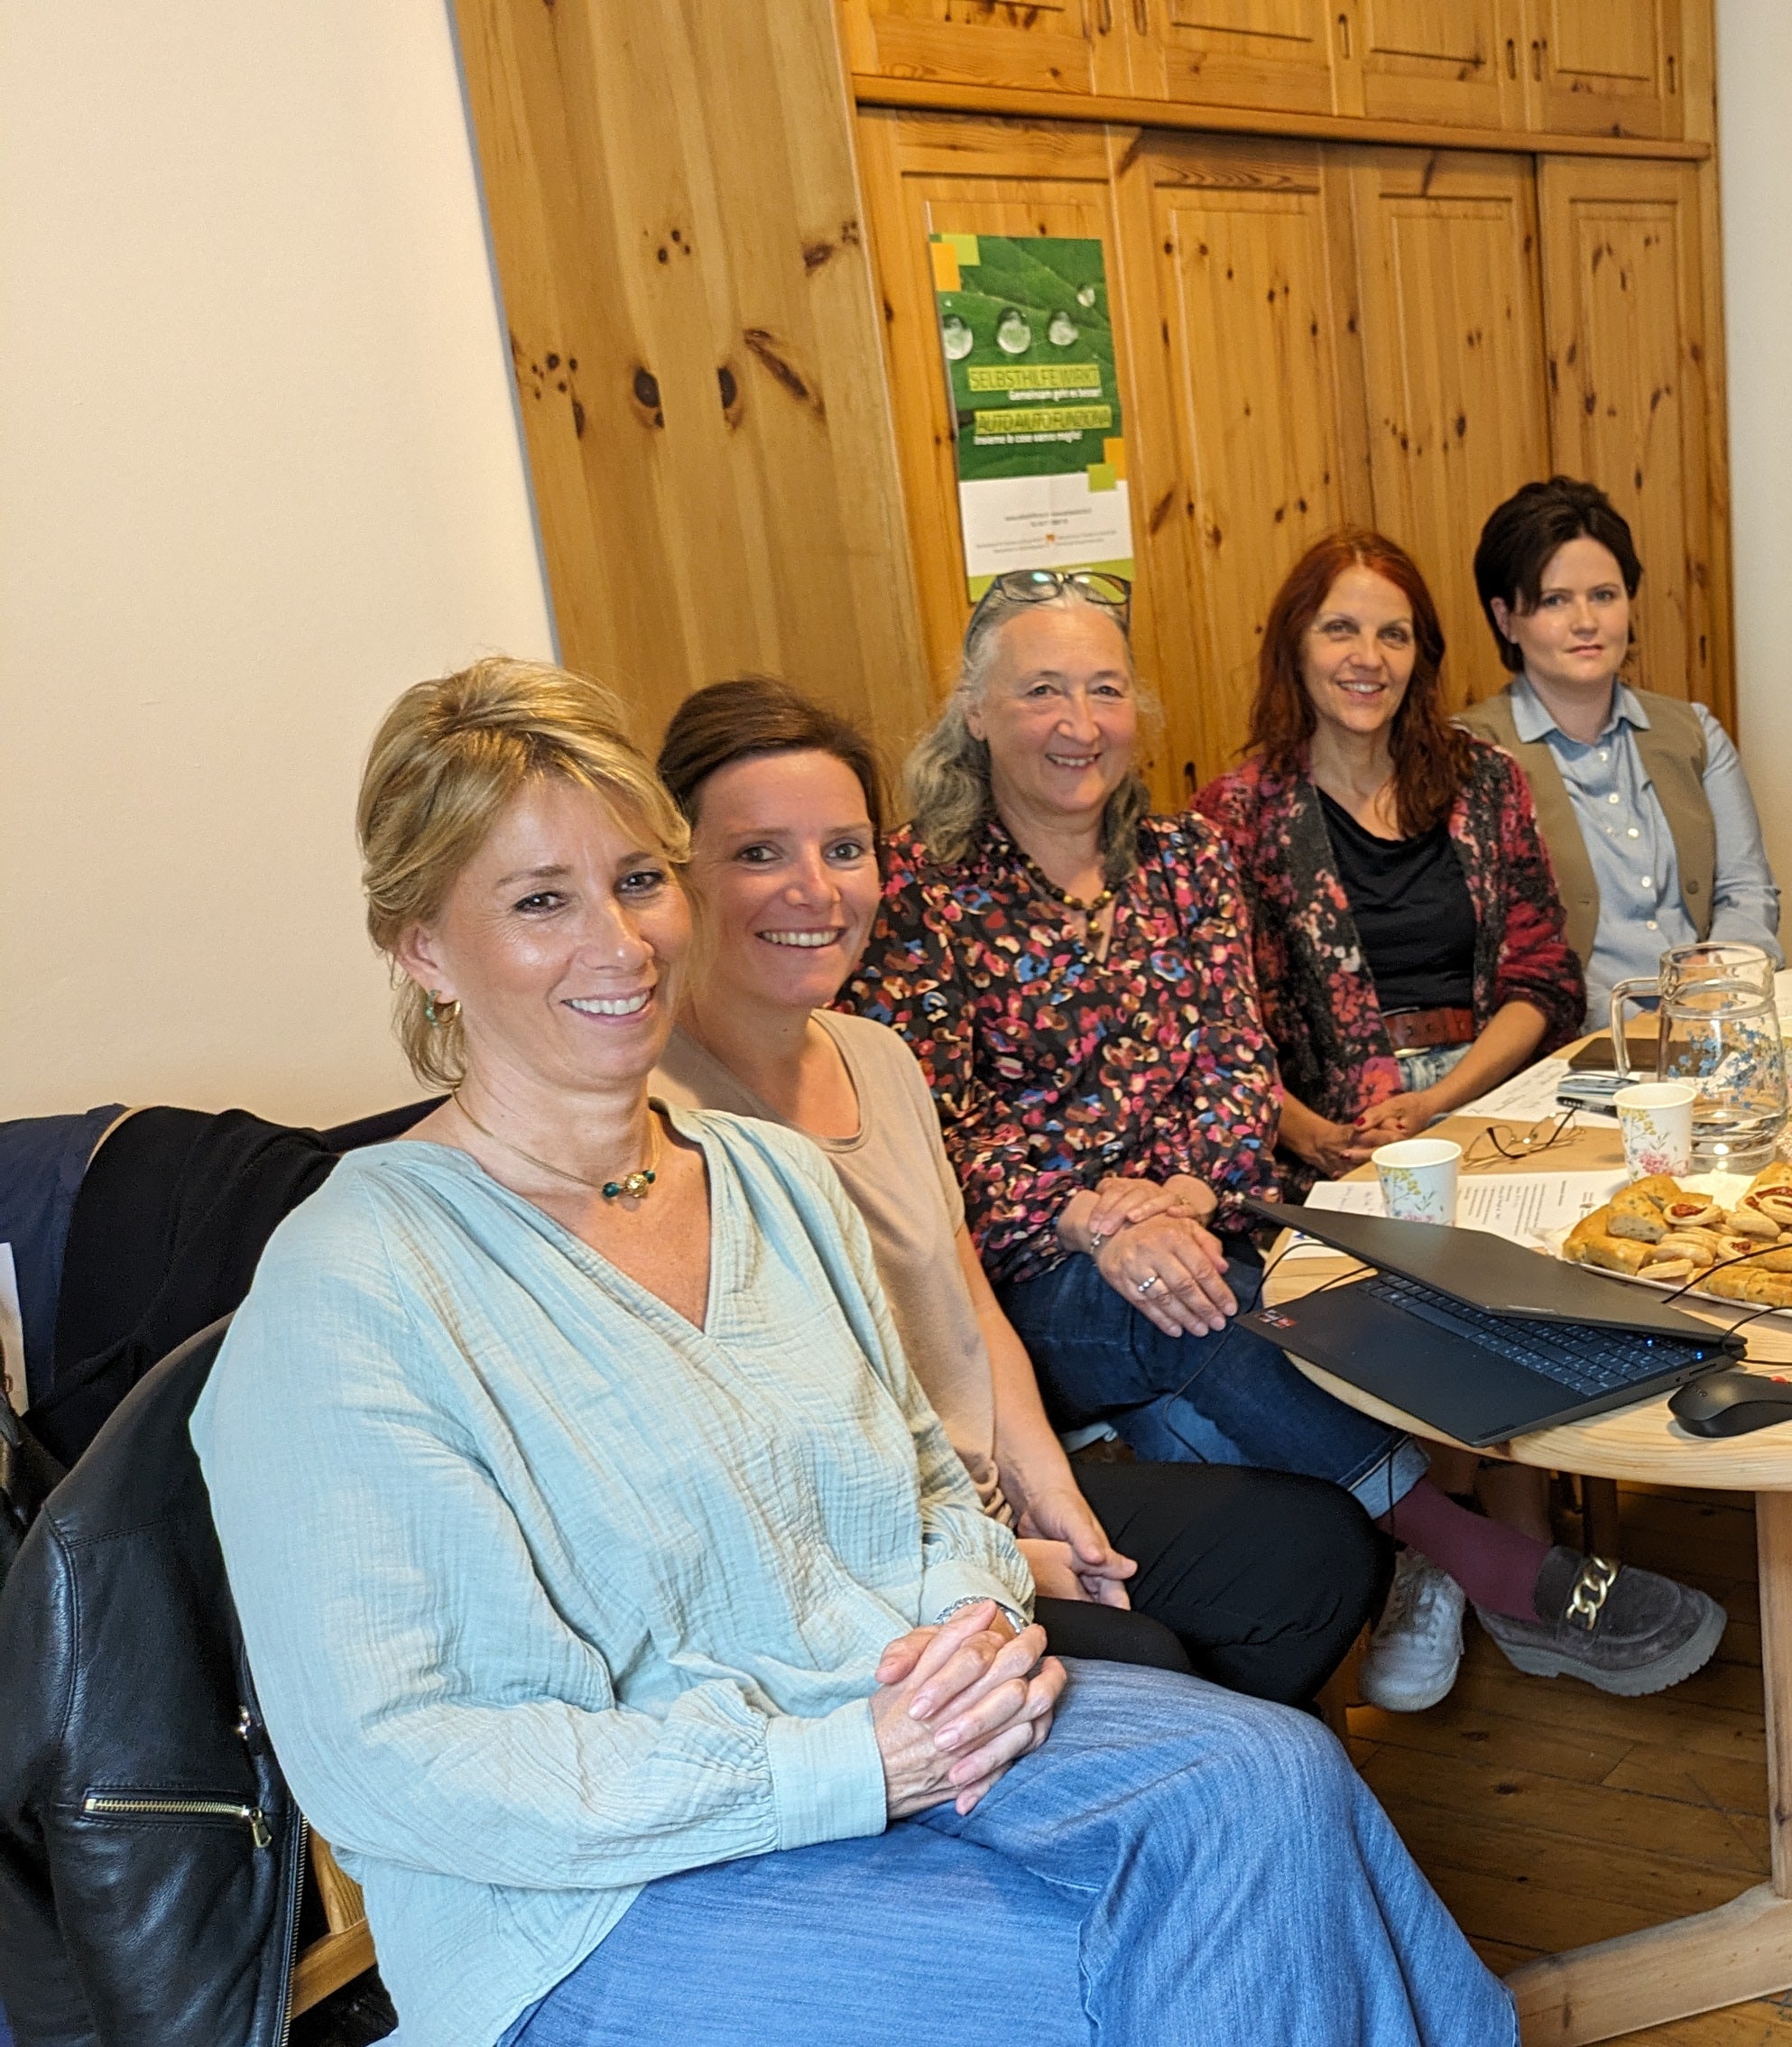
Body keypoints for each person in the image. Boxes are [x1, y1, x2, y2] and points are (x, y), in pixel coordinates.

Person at [195, 658, 1510, 2047]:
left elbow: (931, 1484)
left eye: (640, 881)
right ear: (420, 945)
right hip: (600, 1896)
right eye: (540, 902)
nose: (622, 944)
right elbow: (393, 1764)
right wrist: (837, 1769)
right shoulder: (353, 1290)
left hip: (897, 1736)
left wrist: (975, 1623)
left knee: (1279, 1781)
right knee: (1146, 1952)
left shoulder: (775, 1184)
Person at [846, 570, 1717, 1716]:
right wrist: (1092, 1220)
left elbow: (1235, 1067)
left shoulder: (1183, 862)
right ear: (974, 711)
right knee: (1165, 1305)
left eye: (1105, 690)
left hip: (1204, 1226)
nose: (1078, 723)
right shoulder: (916, 891)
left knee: (1224, 1318)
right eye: (1041, 691)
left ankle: (1384, 1587)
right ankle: (1490, 1564)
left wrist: (1178, 1202)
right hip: (1025, 1280)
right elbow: (929, 1135)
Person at [654, 676, 1385, 1710]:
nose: (814, 890)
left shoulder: (875, 1057)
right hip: (858, 1558)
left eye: (845, 849)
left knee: (1317, 1557)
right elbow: (762, 1469)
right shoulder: (663, 1114)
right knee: (1152, 1667)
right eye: (758, 853)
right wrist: (986, 1556)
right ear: (672, 872)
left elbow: (968, 1313)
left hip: (980, 1491)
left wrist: (1047, 1497)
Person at [1201, 530, 1585, 1169]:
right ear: (1295, 644)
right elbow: (1218, 1030)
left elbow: (1541, 976)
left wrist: (1437, 1101)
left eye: (1393, 635)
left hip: (1495, 1103)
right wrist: (1313, 1138)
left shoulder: (1486, 782)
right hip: (1330, 1135)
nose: (1368, 658)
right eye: (1340, 630)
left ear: (1419, 656)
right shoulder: (1235, 817)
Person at [1457, 477, 1780, 1025]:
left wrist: (1709, 990)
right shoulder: (1472, 755)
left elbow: (1746, 893)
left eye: (1604, 596)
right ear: (1505, 617)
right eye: (1554, 601)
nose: (1586, 622)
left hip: (1710, 1022)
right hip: (1568, 1046)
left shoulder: (1694, 732)